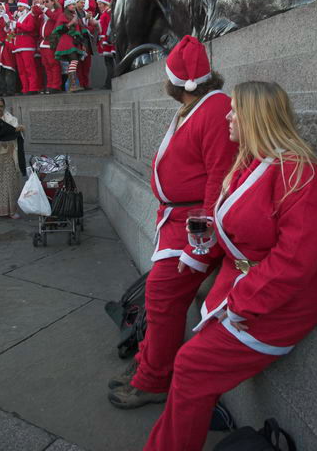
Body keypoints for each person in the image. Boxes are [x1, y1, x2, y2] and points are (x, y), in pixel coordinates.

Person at [142, 81, 317, 451]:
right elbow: (236, 229)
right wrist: (197, 249)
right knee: (190, 369)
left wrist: (244, 303)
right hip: (244, 291)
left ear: (257, 118)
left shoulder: (303, 176)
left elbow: (294, 261)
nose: (227, 116)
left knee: (190, 366)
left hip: (280, 305)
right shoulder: (250, 162)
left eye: (236, 111)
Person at [108, 35, 237, 409]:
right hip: (178, 218)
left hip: (193, 223)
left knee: (163, 298)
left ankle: (154, 379)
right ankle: (149, 361)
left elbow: (219, 178)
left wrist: (202, 243)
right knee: (158, 298)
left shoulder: (213, 109)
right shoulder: (197, 105)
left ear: (175, 81)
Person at [50, 0, 85, 93]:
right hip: (66, 41)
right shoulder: (63, 16)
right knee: (74, 60)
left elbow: (81, 29)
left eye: (74, 4)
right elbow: (59, 30)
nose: (74, 6)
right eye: (71, 4)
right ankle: (72, 85)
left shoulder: (75, 15)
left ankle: (72, 85)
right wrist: (71, 23)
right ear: (66, 6)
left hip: (74, 42)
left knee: (72, 62)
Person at [32, 0, 62, 94]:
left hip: (51, 41)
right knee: (46, 66)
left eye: (47, 1)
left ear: (53, 2)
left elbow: (55, 17)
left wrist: (45, 10)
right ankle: (49, 85)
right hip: (43, 42)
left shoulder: (57, 11)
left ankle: (56, 85)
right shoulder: (44, 13)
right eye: (43, 1)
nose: (44, 3)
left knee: (53, 64)